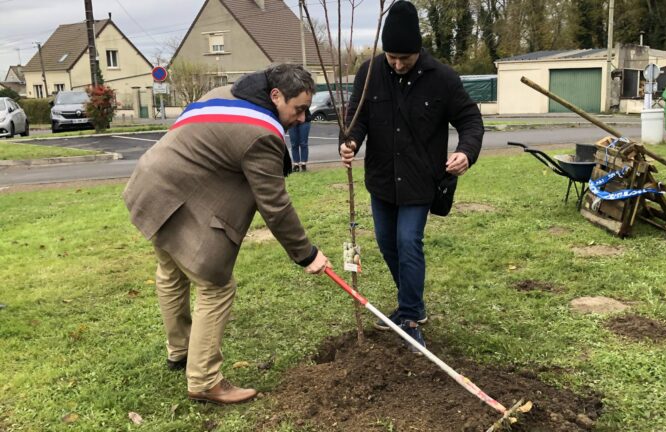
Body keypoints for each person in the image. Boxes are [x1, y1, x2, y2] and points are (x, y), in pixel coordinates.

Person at [123, 64, 330, 404]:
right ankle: (204, 380)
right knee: (217, 287)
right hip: (174, 195)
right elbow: (275, 206)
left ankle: (180, 350)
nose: (302, 118)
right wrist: (306, 254)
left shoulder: (222, 95)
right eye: (299, 109)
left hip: (150, 188)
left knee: (171, 272)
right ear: (276, 96)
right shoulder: (262, 134)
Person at [339, 0, 483, 354]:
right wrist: (351, 141)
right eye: (392, 57)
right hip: (382, 180)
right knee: (388, 243)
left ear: (418, 49)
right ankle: (410, 304)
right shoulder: (369, 72)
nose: (399, 64)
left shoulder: (442, 79)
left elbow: (470, 120)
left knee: (408, 242)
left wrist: (466, 152)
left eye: (405, 57)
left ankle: (411, 318)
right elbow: (357, 117)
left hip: (420, 181)